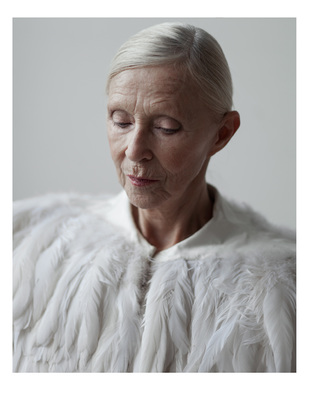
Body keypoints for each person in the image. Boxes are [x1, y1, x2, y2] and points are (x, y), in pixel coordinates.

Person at [13, 22, 295, 372]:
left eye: (166, 128)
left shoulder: (286, 286)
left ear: (222, 133)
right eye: (120, 121)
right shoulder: (25, 247)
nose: (134, 150)